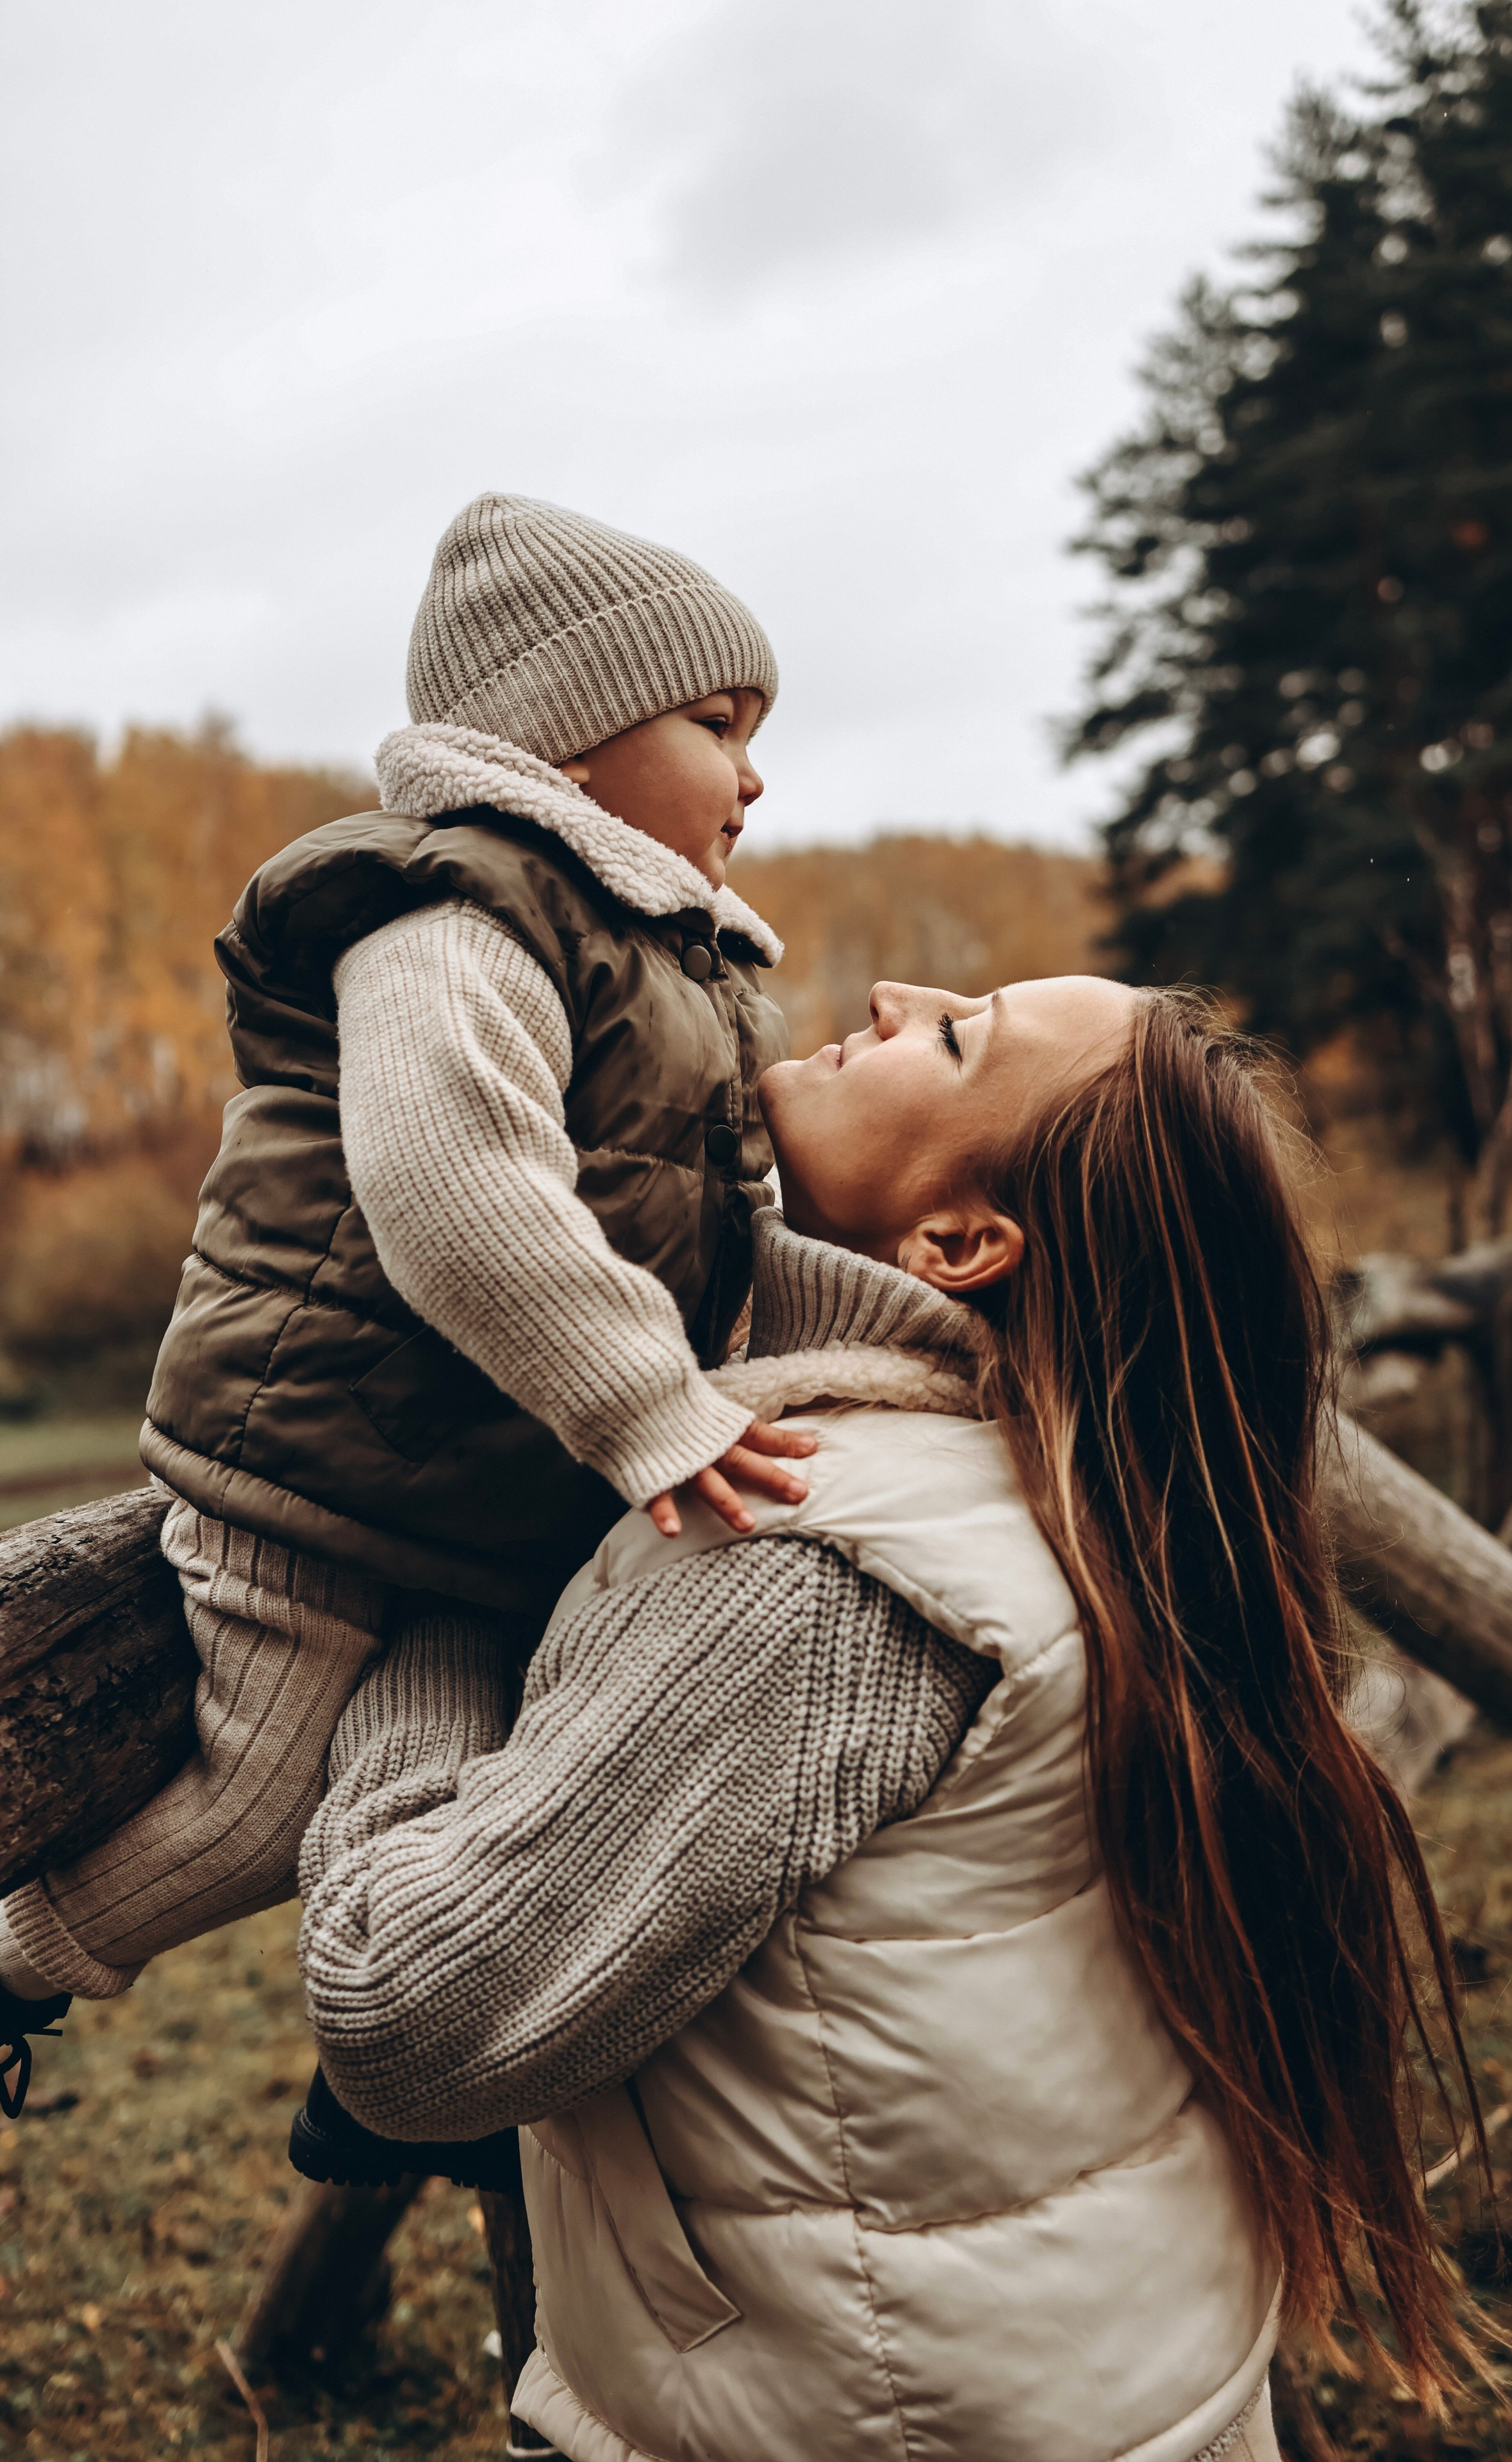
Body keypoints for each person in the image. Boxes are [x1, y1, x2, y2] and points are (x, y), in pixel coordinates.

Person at [297, 974, 1481, 2461]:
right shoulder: (1066, 1496)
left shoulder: (821, 1562)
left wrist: (427, 1617)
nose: (887, 993)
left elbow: (408, 2025)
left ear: (960, 1244)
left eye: (953, 1034)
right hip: (1112, 2385)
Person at [0, 493, 817, 2145]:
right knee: (247, 1806)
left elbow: (722, 1225)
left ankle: (386, 2109)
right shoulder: (458, 913)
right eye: (715, 725)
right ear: (567, 741)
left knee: (487, 1767)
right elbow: (457, 1190)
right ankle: (16, 1965)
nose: (752, 775)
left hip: (457, 1496)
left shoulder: (655, 960)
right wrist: (649, 1410)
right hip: (326, 1456)